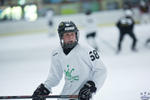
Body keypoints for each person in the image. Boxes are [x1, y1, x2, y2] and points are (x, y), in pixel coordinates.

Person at [32, 21, 107, 100]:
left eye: (72, 34)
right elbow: (55, 76)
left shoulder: (87, 50)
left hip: (82, 96)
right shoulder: (56, 53)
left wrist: (91, 86)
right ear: (61, 36)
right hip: (65, 95)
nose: (71, 37)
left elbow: (101, 70)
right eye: (67, 35)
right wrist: (45, 88)